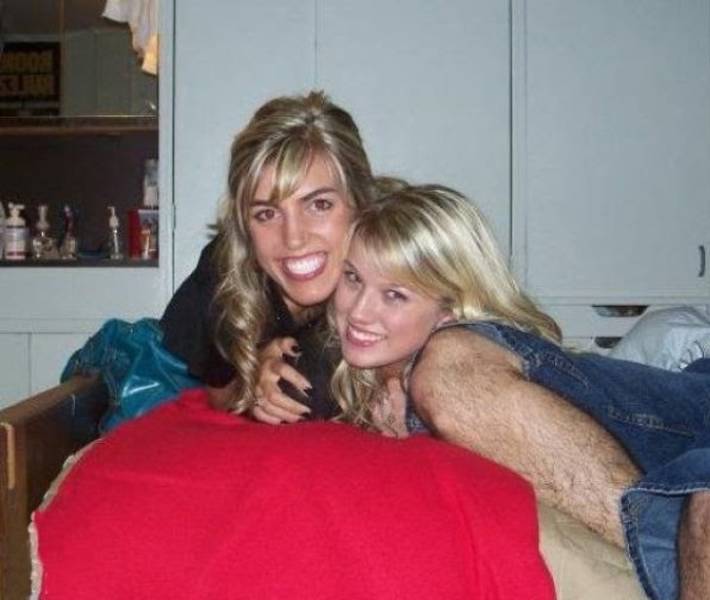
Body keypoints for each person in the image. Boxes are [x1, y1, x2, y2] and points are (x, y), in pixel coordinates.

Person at [322, 184, 709, 600]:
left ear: (449, 312)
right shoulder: (374, 389)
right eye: (353, 278)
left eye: (395, 295)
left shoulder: (452, 359)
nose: (358, 311)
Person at [159, 90, 377, 419]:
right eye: (266, 213)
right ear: (245, 227)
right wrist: (251, 380)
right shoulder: (225, 279)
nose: (294, 239)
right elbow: (216, 394)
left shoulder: (402, 245)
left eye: (319, 204)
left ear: (361, 205)